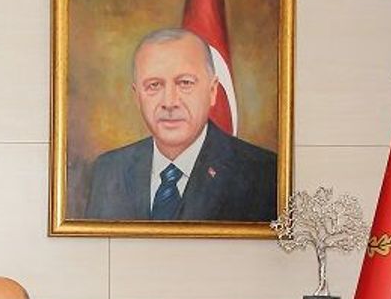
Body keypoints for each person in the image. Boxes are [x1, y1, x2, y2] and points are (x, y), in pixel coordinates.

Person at [84, 28, 276, 222]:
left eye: (185, 83)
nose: (169, 102)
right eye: (154, 85)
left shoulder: (264, 175)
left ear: (212, 91)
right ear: (137, 97)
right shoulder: (107, 171)